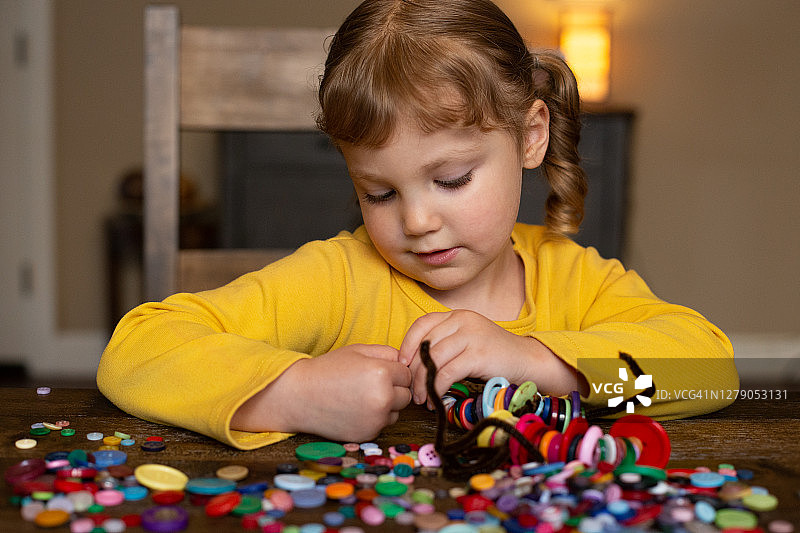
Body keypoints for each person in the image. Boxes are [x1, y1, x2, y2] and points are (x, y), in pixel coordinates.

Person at [98, 0, 738, 449]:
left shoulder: (575, 281)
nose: (418, 221)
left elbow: (711, 371)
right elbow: (136, 352)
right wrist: (292, 391)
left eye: (453, 179)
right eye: (378, 194)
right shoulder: (339, 279)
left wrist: (538, 360)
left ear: (530, 136)